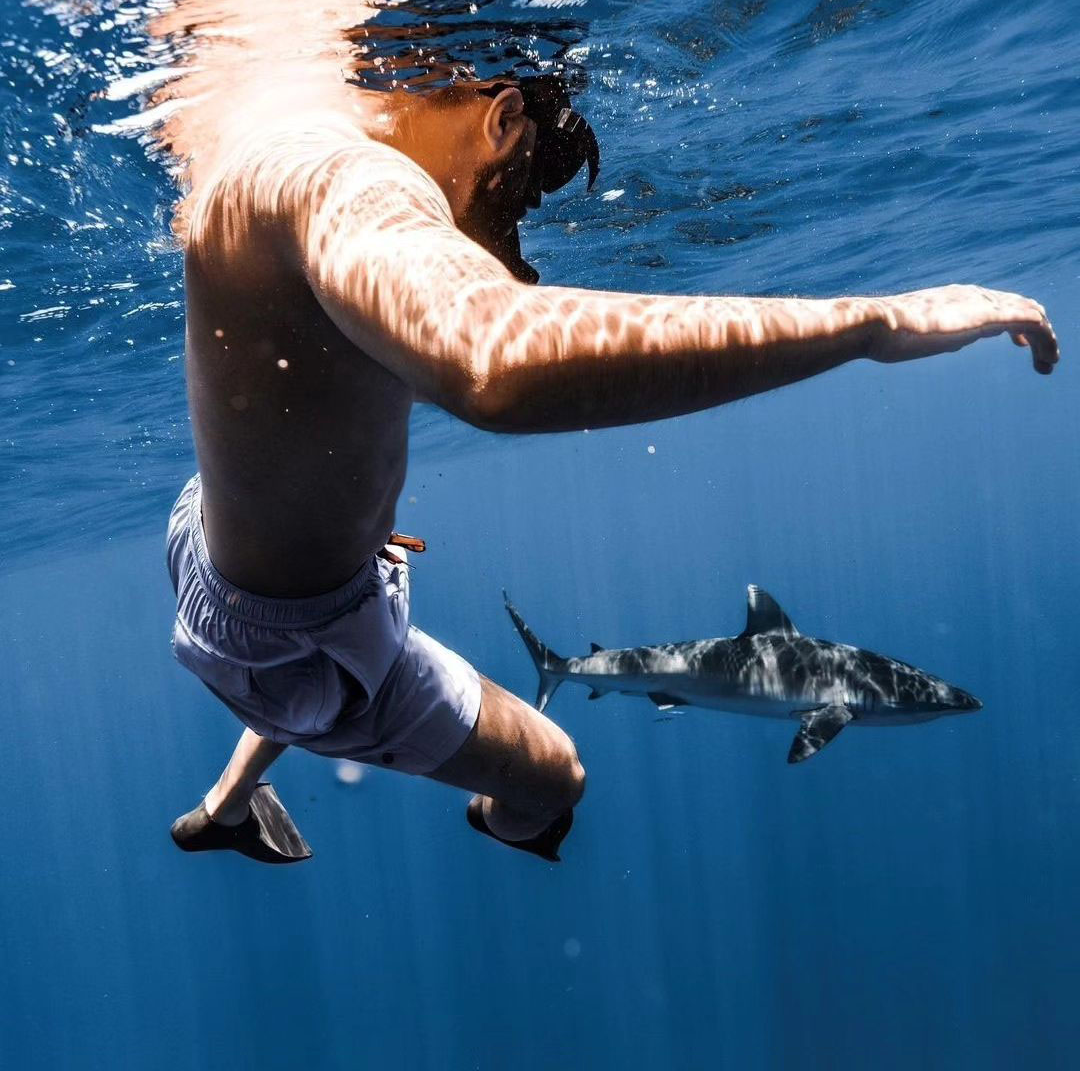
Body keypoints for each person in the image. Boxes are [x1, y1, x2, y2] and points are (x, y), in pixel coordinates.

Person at [167, 73, 1058, 864]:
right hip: (292, 638)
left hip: (220, 540)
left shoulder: (278, 149)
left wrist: (325, 512)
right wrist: (877, 325)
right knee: (555, 779)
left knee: (335, 640)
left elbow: (306, 381)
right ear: (502, 118)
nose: (506, 245)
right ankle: (321, 757)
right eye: (516, 203)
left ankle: (230, 801)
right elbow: (493, 357)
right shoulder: (357, 181)